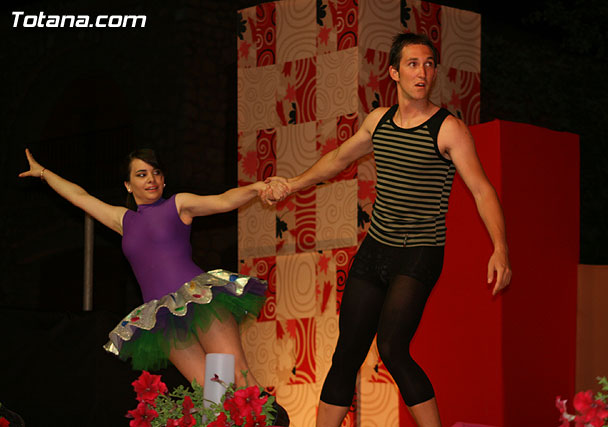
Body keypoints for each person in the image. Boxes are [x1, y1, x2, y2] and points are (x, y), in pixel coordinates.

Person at [262, 33, 512, 427]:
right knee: (347, 353)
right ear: (394, 72)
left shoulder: (448, 129)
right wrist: (292, 184)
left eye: (429, 64)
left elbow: (482, 190)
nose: (422, 72)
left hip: (419, 252)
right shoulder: (378, 121)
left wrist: (500, 248)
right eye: (413, 64)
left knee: (393, 348)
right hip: (376, 250)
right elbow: (338, 159)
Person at [19, 148, 289, 425]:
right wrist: (44, 173)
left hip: (200, 299)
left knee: (239, 378)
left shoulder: (178, 205)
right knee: (211, 395)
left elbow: (223, 200)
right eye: (142, 174)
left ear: (163, 179)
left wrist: (255, 188)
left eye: (156, 172)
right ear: (128, 185)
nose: (151, 179)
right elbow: (80, 197)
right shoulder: (123, 220)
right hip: (163, 317)